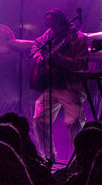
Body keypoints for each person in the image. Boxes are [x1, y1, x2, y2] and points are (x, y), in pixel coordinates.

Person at [30, 8, 89, 162]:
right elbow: (36, 44)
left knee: (75, 122)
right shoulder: (50, 34)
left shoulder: (79, 38)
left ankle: (80, 160)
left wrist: (59, 57)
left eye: (53, 24)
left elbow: (80, 65)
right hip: (53, 85)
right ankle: (48, 157)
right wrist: (38, 57)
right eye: (48, 25)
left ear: (61, 21)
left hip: (71, 86)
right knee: (39, 118)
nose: (51, 28)